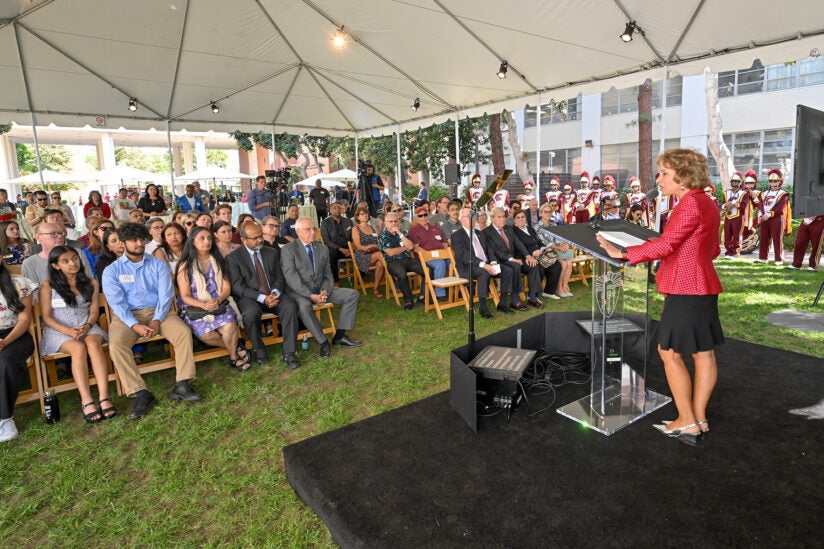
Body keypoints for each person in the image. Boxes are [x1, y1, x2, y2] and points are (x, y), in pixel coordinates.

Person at [597, 148, 724, 445]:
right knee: (703, 353)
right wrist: (661, 243)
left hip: (686, 288)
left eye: (665, 173)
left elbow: (668, 247)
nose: (660, 178)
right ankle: (698, 418)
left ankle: (686, 419)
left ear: (684, 177)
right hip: (702, 286)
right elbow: (705, 247)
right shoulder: (706, 202)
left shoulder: (688, 204)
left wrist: (623, 253)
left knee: (669, 352)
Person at [102, 222, 202, 420]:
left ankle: (182, 383)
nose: (139, 243)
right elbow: (117, 303)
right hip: (127, 317)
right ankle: (140, 393)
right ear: (122, 243)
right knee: (116, 345)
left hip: (160, 312)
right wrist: (135, 324)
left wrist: (157, 319)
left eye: (141, 239)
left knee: (182, 332)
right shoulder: (112, 271)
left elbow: (166, 295)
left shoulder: (157, 264)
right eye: (133, 240)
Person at [40, 246, 114, 423]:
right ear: (56, 266)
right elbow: (47, 317)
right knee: (78, 349)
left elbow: (94, 311)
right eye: (65, 261)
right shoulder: (48, 286)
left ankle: (104, 397)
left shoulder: (91, 282)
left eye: (74, 258)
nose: (73, 263)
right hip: (59, 329)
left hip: (86, 325)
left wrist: (87, 326)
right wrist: (68, 331)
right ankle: (87, 400)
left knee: (94, 345)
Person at [281, 217, 361, 358]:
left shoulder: (322, 248)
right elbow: (291, 278)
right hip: (299, 293)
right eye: (308, 229)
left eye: (314, 228)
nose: (313, 232)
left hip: (321, 290)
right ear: (298, 232)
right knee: (305, 306)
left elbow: (328, 275)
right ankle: (323, 342)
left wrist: (325, 291)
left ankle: (340, 336)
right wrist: (311, 295)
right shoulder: (288, 250)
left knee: (352, 295)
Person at [226, 222, 300, 369]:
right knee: (250, 313)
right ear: (243, 239)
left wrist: (274, 293)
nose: (260, 240)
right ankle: (259, 351)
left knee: (290, 306)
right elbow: (237, 287)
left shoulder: (271, 252)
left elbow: (280, 277)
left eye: (261, 236)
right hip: (250, 297)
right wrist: (262, 298)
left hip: (272, 294)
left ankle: (289, 352)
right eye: (255, 238)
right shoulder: (233, 258)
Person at [176, 226, 249, 371]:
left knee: (229, 326)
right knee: (207, 335)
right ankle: (236, 346)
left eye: (209, 238)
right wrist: (203, 305)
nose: (206, 242)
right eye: (201, 238)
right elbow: (185, 296)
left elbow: (226, 287)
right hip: (195, 306)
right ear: (192, 242)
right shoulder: (185, 265)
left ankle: (234, 357)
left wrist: (219, 299)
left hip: (218, 302)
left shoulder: (219, 260)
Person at [450, 207, 513, 319]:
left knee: (508, 270)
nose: (473, 219)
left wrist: (493, 261)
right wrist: (484, 265)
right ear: (462, 219)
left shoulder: (480, 233)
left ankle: (502, 303)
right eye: (470, 217)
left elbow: (489, 249)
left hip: (487, 264)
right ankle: (483, 307)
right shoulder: (456, 236)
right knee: (484, 273)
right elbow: (464, 256)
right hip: (468, 267)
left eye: (474, 216)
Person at [0, 263, 36, 443]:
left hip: (15, 334)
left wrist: (5, 342)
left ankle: (5, 419)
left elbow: (24, 320)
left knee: (6, 360)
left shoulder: (19, 284)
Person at [483, 207, 536, 312]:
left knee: (532, 265)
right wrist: (511, 259)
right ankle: (515, 300)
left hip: (513, 259)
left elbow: (518, 243)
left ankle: (533, 297)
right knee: (515, 266)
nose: (502, 219)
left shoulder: (508, 228)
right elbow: (494, 251)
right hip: (499, 261)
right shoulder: (486, 232)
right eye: (499, 217)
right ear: (492, 218)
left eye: (504, 216)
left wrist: (527, 256)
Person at [23, 223, 94, 293]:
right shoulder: (29, 263)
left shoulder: (77, 254)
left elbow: (89, 280)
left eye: (61, 233)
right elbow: (33, 293)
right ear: (38, 237)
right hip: (44, 302)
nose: (60, 236)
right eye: (53, 234)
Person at [378, 212, 425, 310]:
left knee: (428, 270)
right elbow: (390, 253)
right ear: (386, 223)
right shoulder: (382, 236)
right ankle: (409, 300)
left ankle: (422, 296)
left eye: (396, 221)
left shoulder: (403, 233)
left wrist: (399, 233)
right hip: (393, 262)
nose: (394, 224)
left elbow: (411, 246)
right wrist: (404, 248)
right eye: (391, 221)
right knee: (402, 275)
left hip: (407, 260)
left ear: (399, 222)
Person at [408, 205, 449, 300]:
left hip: (441, 255)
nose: (423, 217)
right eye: (420, 216)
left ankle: (458, 288)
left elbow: (444, 243)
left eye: (425, 215)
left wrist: (443, 253)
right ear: (416, 218)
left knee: (454, 262)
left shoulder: (436, 228)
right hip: (425, 258)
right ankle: (439, 293)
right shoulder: (413, 230)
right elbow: (416, 248)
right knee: (440, 264)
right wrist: (432, 255)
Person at [536, 203, 572, 298]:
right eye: (545, 212)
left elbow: (558, 239)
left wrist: (562, 245)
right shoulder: (537, 227)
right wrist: (559, 247)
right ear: (540, 213)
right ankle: (558, 288)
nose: (548, 213)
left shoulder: (553, 224)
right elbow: (545, 242)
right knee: (563, 264)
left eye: (549, 212)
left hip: (557, 250)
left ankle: (564, 287)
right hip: (547, 252)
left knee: (569, 262)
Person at [756, 169, 791, 265]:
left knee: (777, 239)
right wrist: (762, 214)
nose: (772, 183)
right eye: (771, 181)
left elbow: (780, 207)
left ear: (779, 181)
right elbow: (760, 205)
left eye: (775, 181)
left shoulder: (783, 194)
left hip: (777, 218)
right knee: (764, 238)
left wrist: (768, 214)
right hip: (764, 218)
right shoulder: (764, 193)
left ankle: (779, 259)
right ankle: (763, 258)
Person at [351, 206, 385, 298]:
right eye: (362, 214)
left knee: (380, 264)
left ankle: (376, 288)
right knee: (380, 255)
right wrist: (371, 246)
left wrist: (376, 246)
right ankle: (395, 275)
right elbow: (358, 246)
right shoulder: (355, 229)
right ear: (357, 217)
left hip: (375, 253)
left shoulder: (373, 228)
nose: (365, 215)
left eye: (366, 213)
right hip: (362, 255)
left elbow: (379, 242)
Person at [320, 202, 353, 282]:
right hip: (335, 249)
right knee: (332, 254)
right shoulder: (325, 223)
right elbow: (326, 241)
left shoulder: (348, 221)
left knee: (361, 251)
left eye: (339, 208)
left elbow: (353, 236)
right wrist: (341, 249)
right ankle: (335, 280)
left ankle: (360, 277)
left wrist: (351, 248)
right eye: (334, 208)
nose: (337, 209)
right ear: (330, 211)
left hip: (348, 248)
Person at [721, 172, 747, 259]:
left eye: (736, 181)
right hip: (728, 217)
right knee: (727, 235)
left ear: (740, 183)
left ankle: (735, 252)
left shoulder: (744, 193)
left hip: (738, 217)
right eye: (733, 181)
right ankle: (728, 252)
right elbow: (723, 204)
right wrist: (726, 205)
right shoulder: (727, 193)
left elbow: (743, 206)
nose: (734, 183)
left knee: (737, 235)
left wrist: (734, 205)